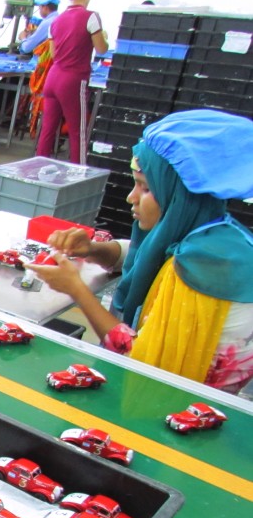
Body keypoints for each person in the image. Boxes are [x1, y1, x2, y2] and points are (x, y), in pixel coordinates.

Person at [25, 110, 253, 394]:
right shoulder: (210, 229)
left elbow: (144, 367)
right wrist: (93, 249)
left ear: (179, 195)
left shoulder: (204, 266)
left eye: (145, 188)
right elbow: (147, 255)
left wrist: (77, 290)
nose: (131, 197)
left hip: (180, 407)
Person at [35, 0, 107, 164]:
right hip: (73, 79)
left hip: (53, 77)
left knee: (47, 129)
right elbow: (101, 49)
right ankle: (78, 174)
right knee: (78, 132)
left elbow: (53, 54)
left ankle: (37, 167)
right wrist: (104, 37)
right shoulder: (91, 17)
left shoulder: (56, 20)